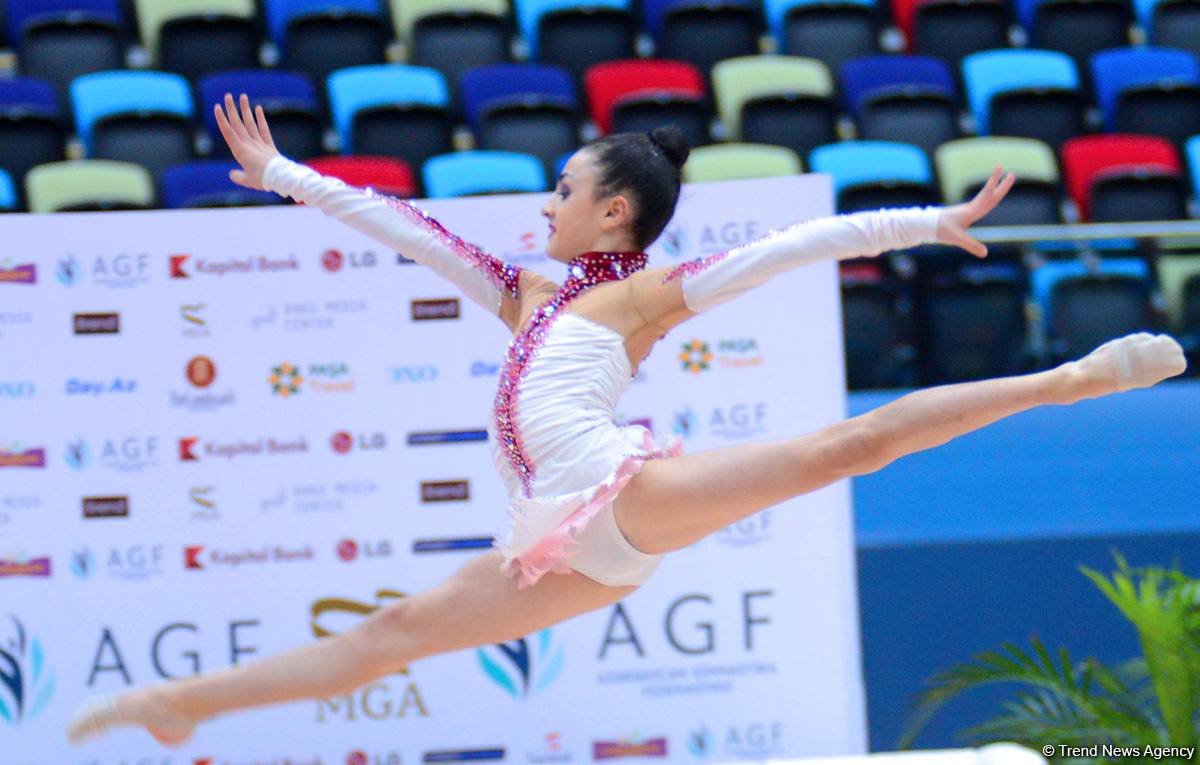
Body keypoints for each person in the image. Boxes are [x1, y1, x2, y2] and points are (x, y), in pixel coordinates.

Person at [67, 94, 1187, 746]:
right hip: (555, 541)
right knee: (386, 639)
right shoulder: (523, 291)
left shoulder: (643, 295)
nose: (544, 203)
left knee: (844, 446)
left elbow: (786, 249)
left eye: (562, 189)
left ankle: (1068, 377)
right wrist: (283, 173)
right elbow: (405, 227)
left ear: (612, 209)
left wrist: (925, 221)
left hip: (618, 492)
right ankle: (181, 706)